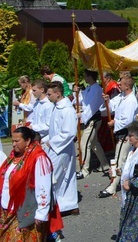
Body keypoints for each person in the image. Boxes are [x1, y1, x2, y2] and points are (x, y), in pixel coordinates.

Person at [0, 126, 62, 241]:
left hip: (25, 211)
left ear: (28, 140)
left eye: (17, 141)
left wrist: (41, 213)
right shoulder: (14, 156)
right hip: (8, 209)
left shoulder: (38, 158)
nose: (13, 144)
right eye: (12, 141)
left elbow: (43, 187)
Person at [41, 81, 78, 216]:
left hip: (61, 148)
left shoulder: (67, 109)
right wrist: (44, 140)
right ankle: (65, 204)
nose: (47, 96)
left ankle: (58, 205)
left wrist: (53, 142)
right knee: (63, 177)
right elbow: (54, 129)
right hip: (56, 146)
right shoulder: (56, 107)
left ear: (58, 93)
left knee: (54, 176)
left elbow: (69, 132)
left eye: (49, 94)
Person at [100, 74, 138, 198]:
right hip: (119, 132)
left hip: (126, 133)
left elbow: (127, 120)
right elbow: (110, 106)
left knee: (119, 159)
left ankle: (113, 185)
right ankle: (122, 180)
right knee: (120, 158)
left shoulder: (131, 100)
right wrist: (107, 101)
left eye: (121, 84)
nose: (119, 85)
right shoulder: (122, 96)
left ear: (127, 86)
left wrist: (114, 122)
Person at [76, 71, 108, 180]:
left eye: (85, 75)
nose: (84, 77)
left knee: (84, 144)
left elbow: (92, 107)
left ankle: (84, 170)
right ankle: (104, 164)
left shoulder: (97, 89)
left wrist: (83, 116)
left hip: (92, 119)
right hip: (89, 118)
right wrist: (78, 92)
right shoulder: (89, 88)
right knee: (94, 143)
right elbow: (81, 100)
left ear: (89, 76)